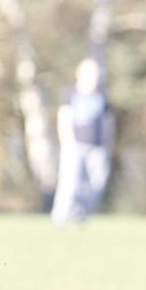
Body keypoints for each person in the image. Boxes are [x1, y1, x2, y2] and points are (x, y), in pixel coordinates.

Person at [51, 57, 115, 225]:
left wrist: (108, 145)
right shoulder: (70, 93)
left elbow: (109, 122)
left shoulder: (102, 96)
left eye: (96, 74)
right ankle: (61, 218)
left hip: (97, 148)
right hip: (74, 146)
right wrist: (67, 142)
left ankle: (80, 217)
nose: (94, 77)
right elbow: (64, 119)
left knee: (95, 184)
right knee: (70, 184)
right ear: (79, 74)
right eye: (90, 73)